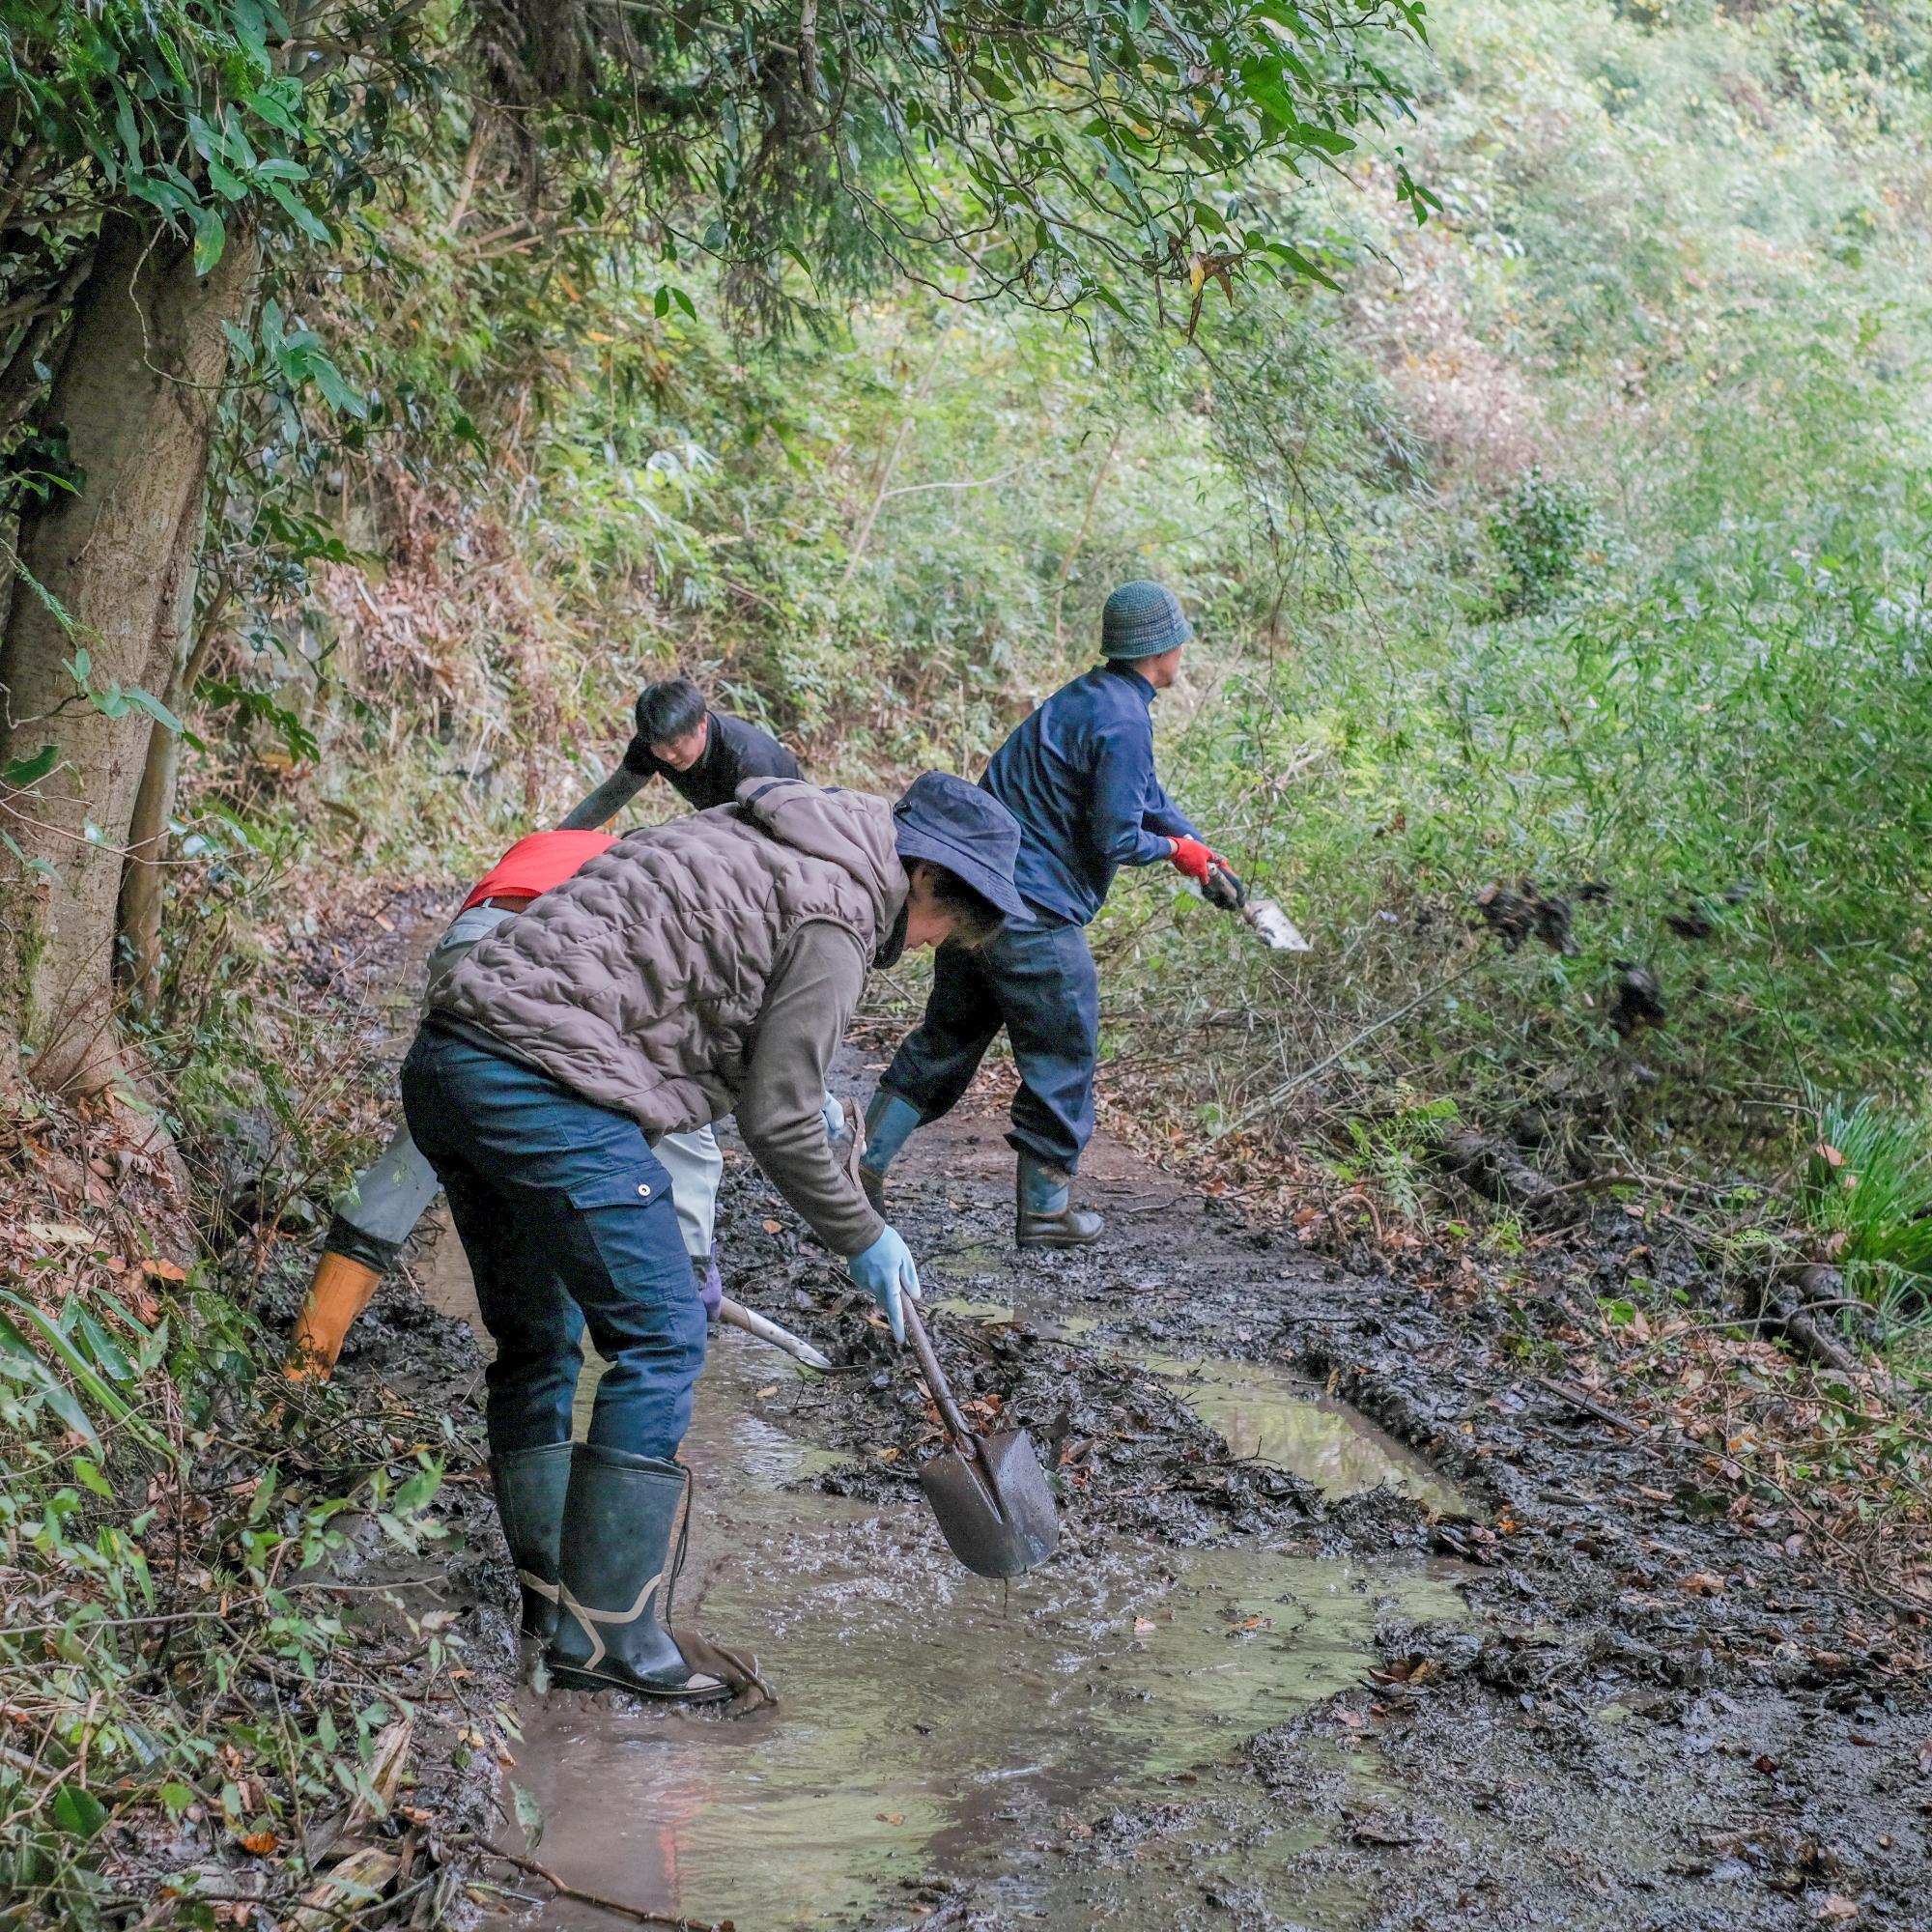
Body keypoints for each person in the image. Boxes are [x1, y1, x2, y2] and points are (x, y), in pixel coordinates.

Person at [403, 773, 1026, 1700]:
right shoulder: (842, 917)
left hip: (453, 1065)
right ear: (928, 878)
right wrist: (864, 1233)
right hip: (543, 1092)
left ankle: (552, 1602)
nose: (930, 944)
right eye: (945, 926)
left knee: (539, 1343)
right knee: (661, 1336)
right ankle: (610, 1641)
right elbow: (775, 1120)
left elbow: (684, 992)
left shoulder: (764, 832)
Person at [287, 678, 799, 1378]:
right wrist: (696, 1256)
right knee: (674, 1115)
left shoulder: (569, 845)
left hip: (476, 937)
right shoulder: (672, 884)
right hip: (558, 956)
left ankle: (304, 1363)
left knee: (420, 1147)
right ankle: (673, 1294)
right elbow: (687, 1094)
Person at [857, 581, 1236, 1250]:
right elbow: (1117, 835)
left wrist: (1198, 853)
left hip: (974, 905)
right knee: (1064, 1053)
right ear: (1162, 648)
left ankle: (863, 1165)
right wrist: (1175, 849)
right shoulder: (1123, 720)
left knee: (945, 1042)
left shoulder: (1089, 698)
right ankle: (1046, 1209)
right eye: (1181, 640)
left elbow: (1146, 795)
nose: (1184, 651)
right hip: (1035, 916)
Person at [561, 676, 800, 825]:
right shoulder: (654, 741)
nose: (668, 756)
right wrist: (558, 841)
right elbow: (611, 796)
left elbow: (766, 834)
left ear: (702, 724)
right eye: (658, 747)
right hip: (720, 823)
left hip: (782, 823)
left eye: (675, 744)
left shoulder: (749, 762)